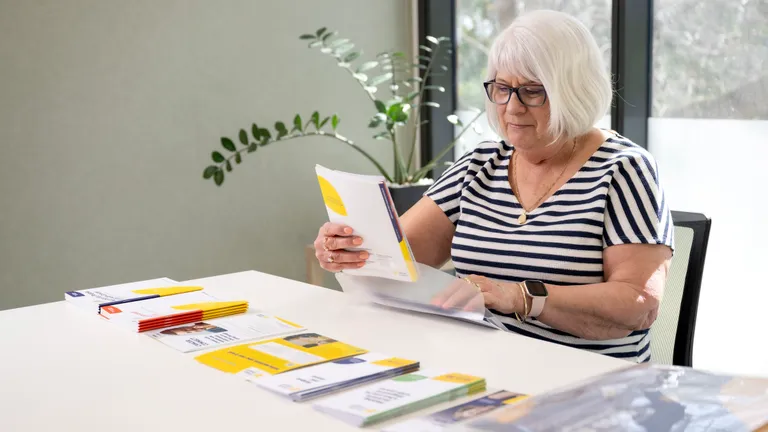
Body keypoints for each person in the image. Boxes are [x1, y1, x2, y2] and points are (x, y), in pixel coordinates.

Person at [313, 9, 673, 363]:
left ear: (574, 91)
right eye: (502, 88)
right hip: (483, 365)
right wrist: (349, 249)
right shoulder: (480, 164)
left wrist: (523, 297)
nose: (512, 108)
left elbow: (639, 304)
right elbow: (399, 258)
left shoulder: (624, 169)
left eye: (532, 91)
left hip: (586, 380)